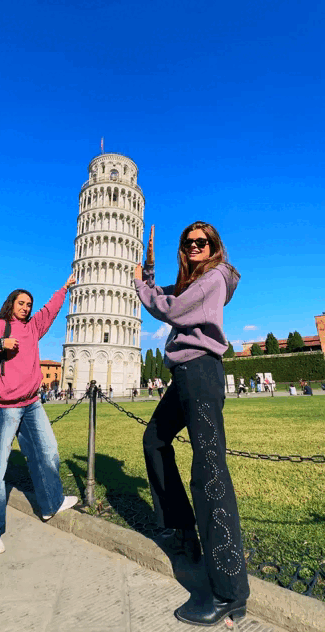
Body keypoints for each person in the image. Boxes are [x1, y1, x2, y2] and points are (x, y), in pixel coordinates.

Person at [134, 222, 249, 627]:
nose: (196, 246)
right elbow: (169, 291)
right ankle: (180, 529)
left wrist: (141, 288)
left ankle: (228, 593)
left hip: (200, 374)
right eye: (189, 242)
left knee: (210, 475)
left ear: (216, 246)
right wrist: (147, 270)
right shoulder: (195, 281)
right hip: (184, 376)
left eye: (204, 242)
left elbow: (169, 307)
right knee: (154, 440)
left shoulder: (216, 277)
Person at [0, 277, 78, 555]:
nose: (26, 308)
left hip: (32, 404)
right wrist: (0, 344)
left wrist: (64, 289)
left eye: (29, 304)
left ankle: (51, 504)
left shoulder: (33, 328)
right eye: (21, 303)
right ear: (11, 304)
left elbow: (50, 311)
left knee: (47, 452)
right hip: (4, 407)